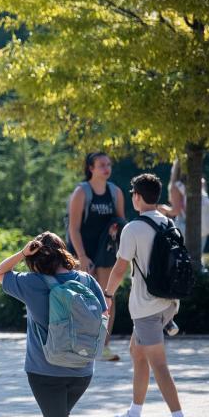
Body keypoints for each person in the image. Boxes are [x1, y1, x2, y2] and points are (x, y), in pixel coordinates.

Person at [0, 232, 106, 417]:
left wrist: (21, 253)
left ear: (36, 256)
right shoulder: (86, 280)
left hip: (45, 372)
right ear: (63, 251)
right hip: (83, 370)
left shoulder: (31, 283)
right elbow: (104, 312)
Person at [105, 174, 192, 417]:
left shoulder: (133, 228)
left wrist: (108, 294)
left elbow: (120, 267)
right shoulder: (168, 222)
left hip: (146, 307)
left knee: (159, 364)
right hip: (168, 303)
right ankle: (134, 414)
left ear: (138, 197)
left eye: (133, 193)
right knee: (137, 352)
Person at [66, 152, 125, 361]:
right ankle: (80, 346)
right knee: (82, 299)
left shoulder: (116, 192)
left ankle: (103, 346)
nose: (106, 168)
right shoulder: (82, 192)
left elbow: (122, 223)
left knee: (108, 297)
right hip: (83, 252)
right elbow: (73, 228)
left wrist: (117, 232)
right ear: (90, 168)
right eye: (101, 165)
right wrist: (81, 256)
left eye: (108, 164)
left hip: (106, 253)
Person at [161, 158, 209, 259]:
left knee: (180, 259)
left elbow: (176, 211)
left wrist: (163, 209)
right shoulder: (201, 182)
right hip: (203, 227)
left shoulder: (176, 186)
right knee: (196, 259)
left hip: (185, 228)